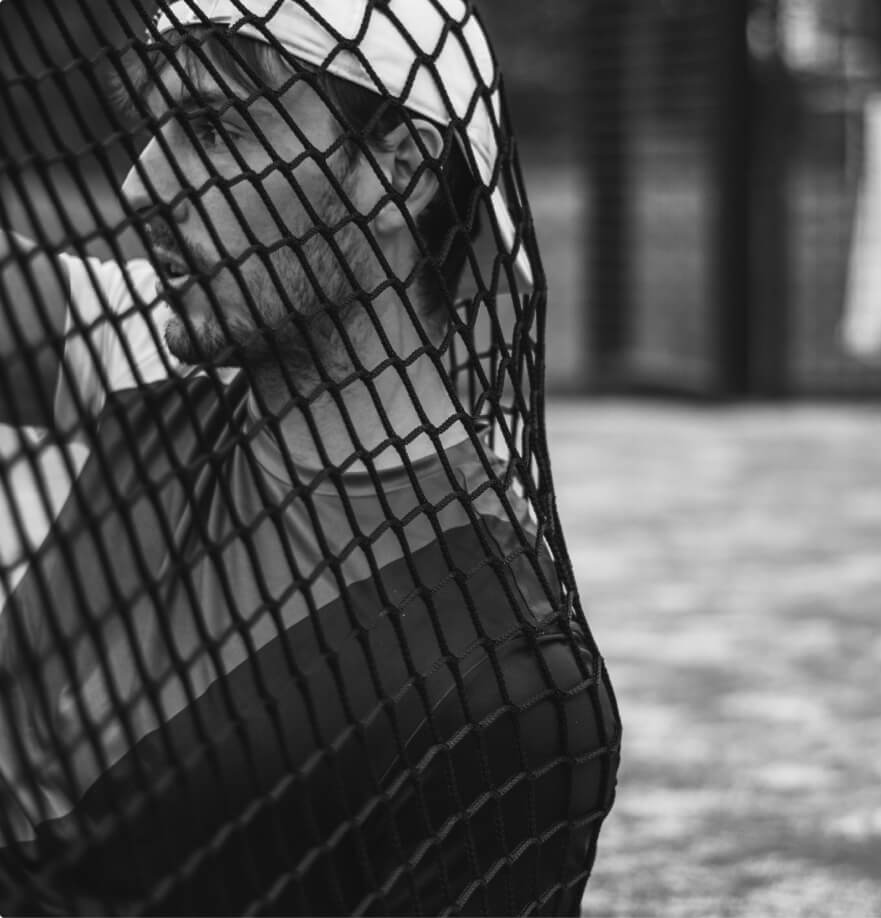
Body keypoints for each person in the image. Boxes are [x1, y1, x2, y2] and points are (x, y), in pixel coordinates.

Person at [0, 0, 621, 913]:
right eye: (158, 126)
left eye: (211, 128)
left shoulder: (503, 689)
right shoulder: (156, 348)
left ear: (399, 170)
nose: (139, 183)